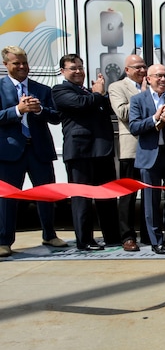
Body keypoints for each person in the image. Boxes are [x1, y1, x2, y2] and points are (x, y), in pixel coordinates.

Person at [0, 46, 67, 258]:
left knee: (46, 195)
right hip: (10, 153)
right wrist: (17, 111)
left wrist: (39, 110)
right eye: (16, 63)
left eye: (24, 63)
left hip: (39, 150)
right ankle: (4, 241)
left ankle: (49, 234)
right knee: (7, 199)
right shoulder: (0, 88)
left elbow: (56, 116)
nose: (22, 67)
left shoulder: (42, 89)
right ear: (6, 65)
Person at [52, 54, 121, 251]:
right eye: (73, 68)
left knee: (107, 197)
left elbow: (107, 109)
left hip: (103, 150)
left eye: (80, 67)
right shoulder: (60, 90)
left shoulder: (90, 92)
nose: (78, 71)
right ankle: (85, 240)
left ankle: (112, 237)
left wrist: (100, 95)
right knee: (82, 198)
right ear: (63, 71)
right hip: (80, 152)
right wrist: (98, 94)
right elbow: (80, 104)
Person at [128, 64, 165, 255]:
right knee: (150, 201)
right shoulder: (138, 100)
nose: (163, 80)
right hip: (149, 157)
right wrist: (154, 119)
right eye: (159, 76)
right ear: (149, 78)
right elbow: (134, 127)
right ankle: (156, 241)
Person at [108, 54, 148, 251]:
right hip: (131, 150)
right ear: (127, 70)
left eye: (143, 67)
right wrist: (144, 97)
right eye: (137, 67)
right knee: (128, 196)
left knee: (150, 194)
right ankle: (127, 236)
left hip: (151, 149)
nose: (142, 71)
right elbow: (123, 112)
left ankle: (149, 234)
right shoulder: (117, 87)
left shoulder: (153, 85)